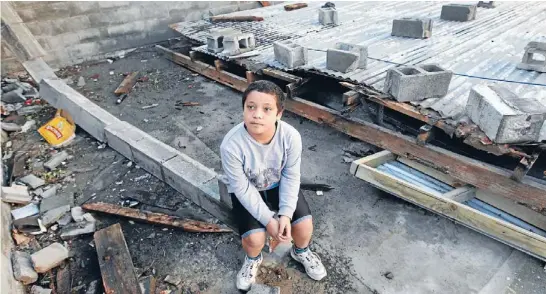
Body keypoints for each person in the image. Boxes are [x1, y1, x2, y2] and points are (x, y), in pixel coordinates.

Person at [220, 80, 327, 291]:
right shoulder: (231, 145)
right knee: (254, 239)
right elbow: (241, 188)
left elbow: (290, 175)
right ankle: (253, 259)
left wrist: (285, 214)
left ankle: (301, 251)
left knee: (303, 227)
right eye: (251, 107)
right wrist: (269, 221)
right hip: (250, 190)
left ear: (279, 113)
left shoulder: (290, 137)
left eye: (267, 109)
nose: (257, 114)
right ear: (243, 109)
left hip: (279, 185)